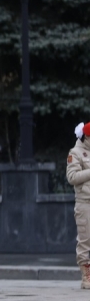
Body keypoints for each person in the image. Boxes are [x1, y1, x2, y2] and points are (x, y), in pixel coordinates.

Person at [67, 121, 90, 289]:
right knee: (85, 240)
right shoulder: (75, 153)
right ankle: (86, 276)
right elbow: (72, 177)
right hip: (84, 202)